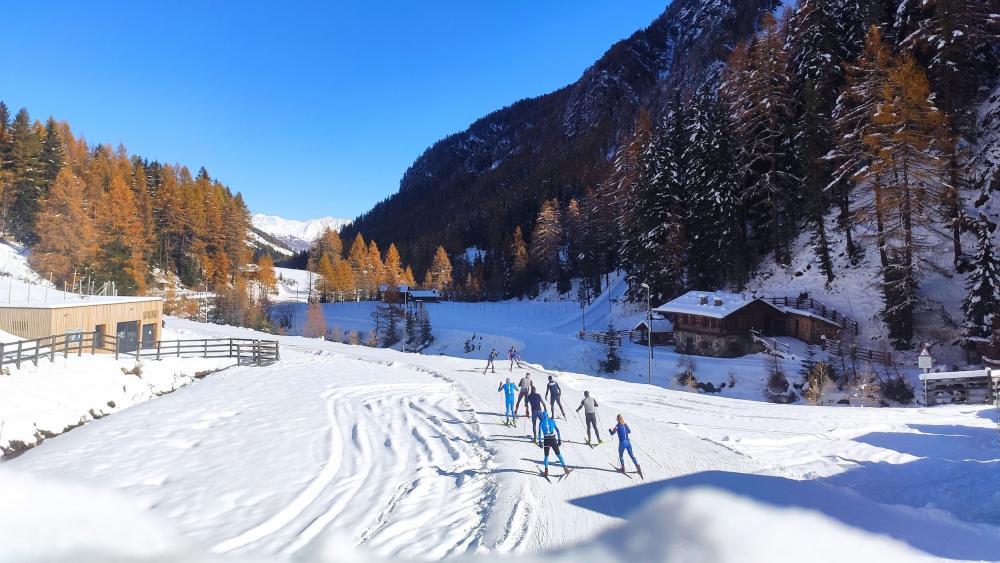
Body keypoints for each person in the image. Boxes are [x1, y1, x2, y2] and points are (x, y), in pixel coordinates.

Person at [537, 410, 570, 478]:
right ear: (548, 415)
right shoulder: (552, 420)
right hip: (553, 439)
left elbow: (539, 433)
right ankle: (565, 468)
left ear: (543, 416)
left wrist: (540, 441)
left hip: (546, 440)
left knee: (546, 456)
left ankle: (546, 471)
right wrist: (559, 439)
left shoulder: (541, 422)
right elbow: (557, 430)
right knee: (558, 454)